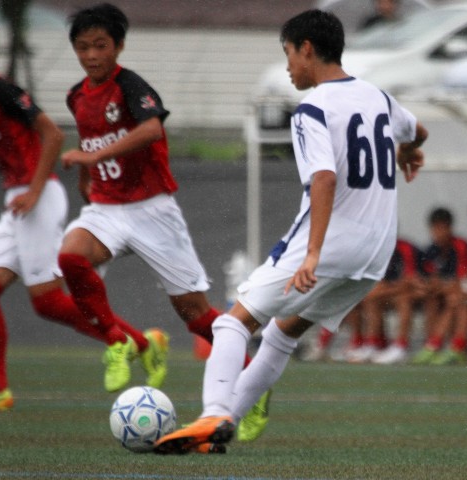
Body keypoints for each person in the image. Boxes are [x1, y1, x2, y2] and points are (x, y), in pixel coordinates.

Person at [154, 9, 427, 454]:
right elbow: (418, 130)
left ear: (306, 48)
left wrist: (313, 253)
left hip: (330, 243)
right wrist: (409, 152)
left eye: (287, 54)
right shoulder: (378, 96)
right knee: (282, 333)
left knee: (232, 323)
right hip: (375, 251)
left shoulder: (312, 109)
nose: (287, 67)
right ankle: (221, 430)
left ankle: (213, 413)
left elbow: (323, 178)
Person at [58, 3, 219, 395]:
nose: (92, 55)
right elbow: (89, 139)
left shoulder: (131, 85)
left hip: (153, 209)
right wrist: (86, 174)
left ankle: (253, 373)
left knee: (195, 316)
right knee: (70, 258)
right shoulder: (77, 95)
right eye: (83, 47)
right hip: (107, 208)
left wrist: (95, 157)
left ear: (119, 46)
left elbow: (149, 130)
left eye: (100, 45)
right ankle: (120, 341)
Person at [0, 25, 116, 410]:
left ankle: (133, 341)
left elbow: (53, 135)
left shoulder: (2, 91)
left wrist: (35, 191)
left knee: (49, 301)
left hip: (38, 196)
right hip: (18, 200)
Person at [346, 238, 425, 364]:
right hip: (395, 292)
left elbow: (410, 283)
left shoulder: (405, 248)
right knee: (370, 298)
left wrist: (386, 289)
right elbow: (375, 282)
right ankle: (373, 343)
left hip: (417, 294)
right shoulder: (376, 250)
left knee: (403, 299)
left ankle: (401, 346)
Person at [412, 208, 467, 365]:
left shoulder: (460, 246)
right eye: (435, 228)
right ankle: (432, 346)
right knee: (431, 300)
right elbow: (431, 279)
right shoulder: (431, 250)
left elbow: (463, 280)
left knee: (456, 299)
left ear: (450, 228)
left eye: (442, 228)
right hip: (448, 291)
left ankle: (452, 348)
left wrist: (439, 287)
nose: (438, 233)